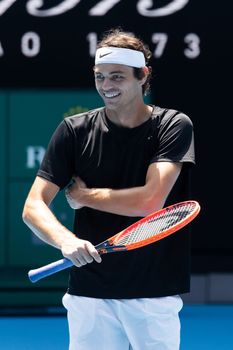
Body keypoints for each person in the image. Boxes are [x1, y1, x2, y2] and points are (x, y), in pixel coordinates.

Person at [22, 28, 195, 350]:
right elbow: (33, 206)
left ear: (143, 76)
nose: (106, 86)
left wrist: (83, 196)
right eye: (100, 77)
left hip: (152, 293)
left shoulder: (173, 125)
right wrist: (67, 241)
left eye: (117, 77)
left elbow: (150, 201)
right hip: (89, 294)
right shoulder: (73, 130)